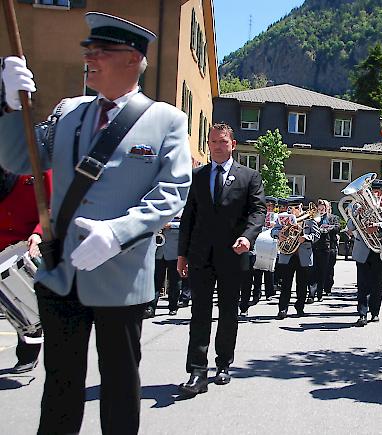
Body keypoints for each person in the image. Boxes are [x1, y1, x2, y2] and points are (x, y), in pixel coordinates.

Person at [0, 12, 191, 434]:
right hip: (61, 274)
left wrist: (117, 232)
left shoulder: (166, 120)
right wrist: (10, 107)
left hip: (120, 279)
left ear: (132, 59)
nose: (90, 57)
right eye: (89, 49)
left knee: (120, 387)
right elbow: (18, 159)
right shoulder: (69, 112)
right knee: (60, 387)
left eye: (101, 51)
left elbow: (172, 193)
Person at [177, 123, 265, 396]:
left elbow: (258, 211)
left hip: (233, 254)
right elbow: (188, 218)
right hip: (201, 255)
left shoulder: (249, 176)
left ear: (233, 145)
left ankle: (224, 364)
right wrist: (182, 254)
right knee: (199, 313)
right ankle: (197, 371)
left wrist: (248, 237)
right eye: (213, 141)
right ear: (208, 144)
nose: (218, 146)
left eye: (223, 142)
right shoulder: (197, 176)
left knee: (228, 312)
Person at [0, 166, 51, 373]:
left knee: (23, 301)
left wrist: (39, 233)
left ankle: (28, 352)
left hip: (30, 245)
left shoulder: (39, 166)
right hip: (2, 243)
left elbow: (54, 205)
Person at [346, 179, 382, 327]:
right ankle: (362, 314)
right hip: (363, 248)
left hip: (380, 248)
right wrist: (357, 214)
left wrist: (378, 226)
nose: (376, 194)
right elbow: (350, 226)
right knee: (362, 284)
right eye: (373, 191)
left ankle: (375, 312)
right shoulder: (358, 205)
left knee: (377, 284)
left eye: (378, 191)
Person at [271, 196, 320, 319]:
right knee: (286, 284)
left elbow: (316, 235)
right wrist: (279, 235)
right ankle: (282, 309)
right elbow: (273, 231)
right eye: (290, 208)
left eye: (294, 208)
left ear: (299, 207)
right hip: (288, 254)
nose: (292, 210)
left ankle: (300, 308)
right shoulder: (283, 219)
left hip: (303, 256)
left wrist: (306, 238)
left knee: (302, 284)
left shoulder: (309, 219)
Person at [146, 211, 183, 318]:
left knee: (174, 281)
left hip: (174, 251)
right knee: (156, 281)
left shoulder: (181, 207)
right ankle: (151, 307)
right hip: (158, 251)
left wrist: (171, 225)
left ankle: (173, 306)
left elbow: (187, 224)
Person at [251, 196, 278, 302]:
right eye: (268, 205)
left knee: (269, 270)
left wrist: (274, 225)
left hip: (271, 244)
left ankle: (269, 293)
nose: (269, 208)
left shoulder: (276, 217)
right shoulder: (260, 215)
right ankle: (256, 293)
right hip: (260, 244)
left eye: (271, 206)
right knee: (257, 270)